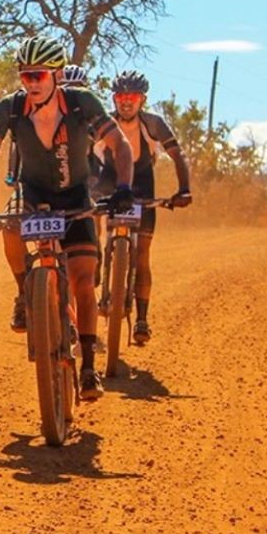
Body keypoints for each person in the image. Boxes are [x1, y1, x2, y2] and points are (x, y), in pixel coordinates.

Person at [0, 35, 134, 400]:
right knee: (8, 227)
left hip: (75, 196)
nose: (32, 83)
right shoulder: (11, 107)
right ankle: (26, 292)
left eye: (38, 75)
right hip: (33, 194)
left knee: (84, 283)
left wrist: (124, 189)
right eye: (25, 75)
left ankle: (87, 367)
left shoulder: (80, 102)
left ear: (55, 74)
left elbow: (120, 145)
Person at [94, 70, 192, 345]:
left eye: (132, 96)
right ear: (114, 98)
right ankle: (97, 267)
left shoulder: (154, 124)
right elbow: (83, 152)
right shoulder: (103, 122)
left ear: (142, 100)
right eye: (121, 96)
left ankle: (142, 319)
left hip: (143, 188)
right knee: (91, 220)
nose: (126, 101)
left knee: (142, 257)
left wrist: (184, 189)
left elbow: (178, 154)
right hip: (110, 183)